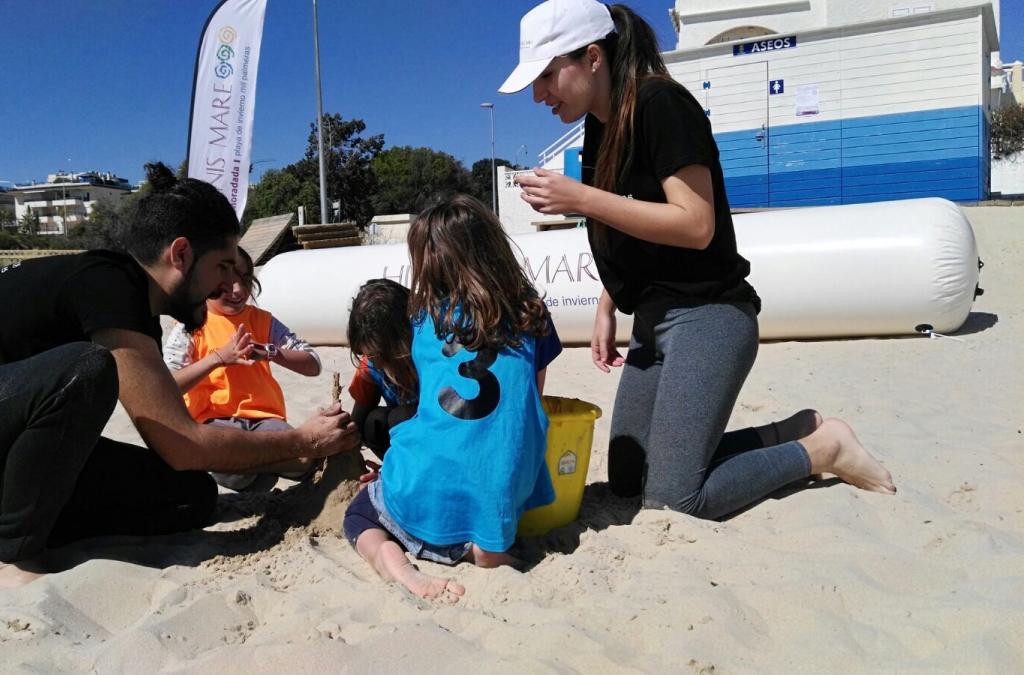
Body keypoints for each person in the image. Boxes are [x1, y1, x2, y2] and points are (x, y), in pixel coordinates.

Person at [0, 163, 357, 590]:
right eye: (223, 266)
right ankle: (6, 555)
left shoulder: (120, 293)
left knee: (188, 497)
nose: (231, 285)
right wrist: (300, 441)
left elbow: (172, 445)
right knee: (85, 369)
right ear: (180, 254)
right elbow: (184, 443)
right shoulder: (109, 286)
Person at [502, 0, 895, 519]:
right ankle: (792, 431)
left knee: (674, 495)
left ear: (593, 57)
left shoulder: (662, 104)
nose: (538, 94)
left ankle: (824, 449)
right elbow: (629, 222)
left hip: (710, 315)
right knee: (628, 479)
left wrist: (579, 198)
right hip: (652, 320)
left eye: (548, 74)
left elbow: (695, 223)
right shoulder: (601, 124)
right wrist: (607, 302)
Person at [343, 194, 563, 600]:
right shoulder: (533, 312)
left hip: (425, 488)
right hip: (504, 485)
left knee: (359, 516)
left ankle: (403, 572)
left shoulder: (425, 321)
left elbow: (433, 411)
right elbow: (529, 400)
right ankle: (488, 546)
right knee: (499, 450)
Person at [163, 246, 323, 490]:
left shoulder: (263, 320)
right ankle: (263, 463)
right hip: (214, 422)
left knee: (302, 460)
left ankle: (256, 464)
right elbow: (166, 387)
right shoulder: (191, 325)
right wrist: (218, 358)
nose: (237, 291)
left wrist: (270, 352)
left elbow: (313, 364)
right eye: (226, 284)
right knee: (234, 472)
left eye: (244, 281)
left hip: (264, 420)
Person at [345, 279, 419, 459]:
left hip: (441, 429)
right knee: (374, 423)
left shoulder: (429, 353)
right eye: (371, 356)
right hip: (405, 439)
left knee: (398, 418)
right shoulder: (370, 365)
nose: (378, 364)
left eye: (383, 356)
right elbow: (359, 421)